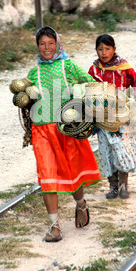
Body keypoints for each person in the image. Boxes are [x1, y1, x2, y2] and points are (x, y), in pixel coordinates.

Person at [26, 26, 101, 242]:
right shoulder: (34, 72)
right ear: (37, 46)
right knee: (46, 175)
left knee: (72, 174)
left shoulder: (68, 65)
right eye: (42, 44)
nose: (47, 48)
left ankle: (81, 204)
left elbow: (90, 83)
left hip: (65, 129)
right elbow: (25, 95)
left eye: (51, 43)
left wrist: (74, 97)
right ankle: (54, 226)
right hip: (41, 130)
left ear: (57, 44)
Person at [88, 34, 136, 199]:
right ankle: (112, 186)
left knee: (122, 151)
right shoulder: (94, 70)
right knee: (106, 152)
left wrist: (134, 99)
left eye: (107, 49)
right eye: (100, 49)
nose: (104, 52)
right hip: (102, 119)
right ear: (96, 50)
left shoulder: (123, 67)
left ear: (114, 49)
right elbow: (87, 87)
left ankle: (123, 185)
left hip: (122, 117)